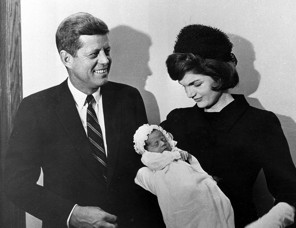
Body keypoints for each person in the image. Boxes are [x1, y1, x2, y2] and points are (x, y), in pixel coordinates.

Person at [4, 12, 164, 228]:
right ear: (66, 58)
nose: (105, 60)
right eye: (94, 54)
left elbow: (145, 170)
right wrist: (71, 214)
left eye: (107, 51)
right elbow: (16, 183)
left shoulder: (129, 98)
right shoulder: (36, 108)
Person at [161, 24, 296, 228]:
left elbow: (290, 193)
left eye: (196, 84)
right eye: (184, 86)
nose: (190, 95)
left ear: (219, 75)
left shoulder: (260, 123)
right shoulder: (177, 120)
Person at [133, 124, 235, 228]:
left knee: (210, 208)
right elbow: (150, 165)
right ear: (147, 151)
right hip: (178, 197)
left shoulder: (176, 152)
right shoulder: (152, 160)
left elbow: (194, 165)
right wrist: (175, 155)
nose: (163, 143)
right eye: (156, 144)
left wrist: (183, 155)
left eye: (163, 139)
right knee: (185, 216)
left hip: (196, 187)